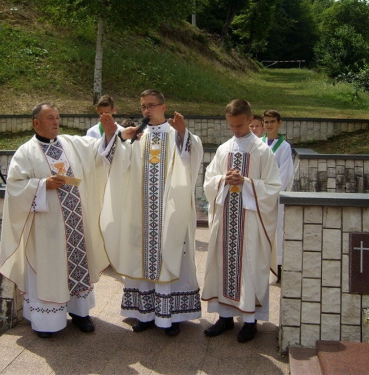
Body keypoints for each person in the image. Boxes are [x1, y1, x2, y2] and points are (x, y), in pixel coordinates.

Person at [0, 102, 109, 338]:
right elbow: (14, 187)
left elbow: (99, 150)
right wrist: (41, 184)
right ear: (36, 123)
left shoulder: (71, 143)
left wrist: (114, 133)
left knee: (76, 267)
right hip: (46, 231)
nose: (56, 122)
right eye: (50, 118)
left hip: (75, 227)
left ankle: (80, 313)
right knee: (49, 272)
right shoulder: (25, 152)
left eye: (57, 118)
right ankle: (46, 321)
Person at [98, 89, 203, 337]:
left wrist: (182, 133)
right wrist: (114, 135)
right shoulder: (138, 135)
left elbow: (191, 157)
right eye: (143, 106)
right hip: (141, 214)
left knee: (171, 254)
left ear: (163, 106)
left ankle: (172, 315)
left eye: (151, 105)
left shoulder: (175, 133)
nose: (146, 110)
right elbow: (116, 162)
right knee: (141, 257)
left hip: (169, 212)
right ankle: (144, 314)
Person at [202, 99, 281, 343]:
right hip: (226, 218)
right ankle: (224, 317)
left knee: (249, 267)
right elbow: (209, 180)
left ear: (250, 120)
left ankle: (250, 321)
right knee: (223, 265)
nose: (235, 130)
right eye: (231, 125)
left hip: (250, 222)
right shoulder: (223, 149)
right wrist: (222, 180)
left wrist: (246, 182)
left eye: (239, 125)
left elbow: (273, 187)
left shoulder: (262, 151)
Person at [262, 109, 294, 282]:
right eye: (266, 122)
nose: (269, 125)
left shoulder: (284, 147)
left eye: (272, 121)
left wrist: (269, 190)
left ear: (279, 123)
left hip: (274, 196)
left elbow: (285, 173)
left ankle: (277, 269)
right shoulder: (258, 143)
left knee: (276, 231)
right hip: (258, 196)